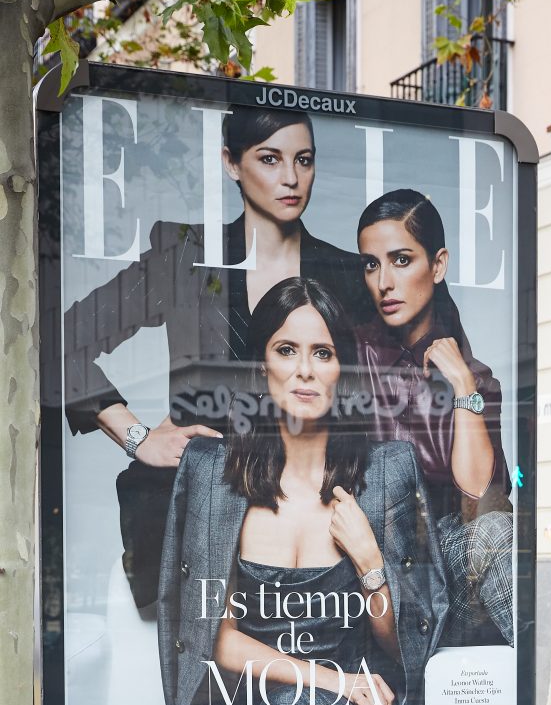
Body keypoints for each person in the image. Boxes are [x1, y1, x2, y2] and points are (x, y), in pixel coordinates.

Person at [64, 105, 364, 611]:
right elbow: (64, 340)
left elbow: (377, 389)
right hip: (190, 509)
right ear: (231, 162)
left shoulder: (345, 273)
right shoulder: (184, 257)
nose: (291, 178)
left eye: (304, 160)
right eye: (270, 159)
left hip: (309, 520)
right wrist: (136, 436)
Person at [158, 278, 448, 705]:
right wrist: (337, 682)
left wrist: (371, 564)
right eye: (286, 350)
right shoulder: (214, 474)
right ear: (261, 365)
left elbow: (403, 645)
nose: (305, 370)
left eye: (323, 353)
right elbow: (212, 636)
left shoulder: (386, 474)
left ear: (342, 371)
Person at [356, 189, 514, 646]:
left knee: (498, 531)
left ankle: (537, 694)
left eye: (401, 260)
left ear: (438, 265)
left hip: (440, 578)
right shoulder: (351, 356)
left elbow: (479, 506)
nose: (384, 281)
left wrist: (464, 389)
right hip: (371, 571)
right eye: (372, 264)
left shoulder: (476, 379)